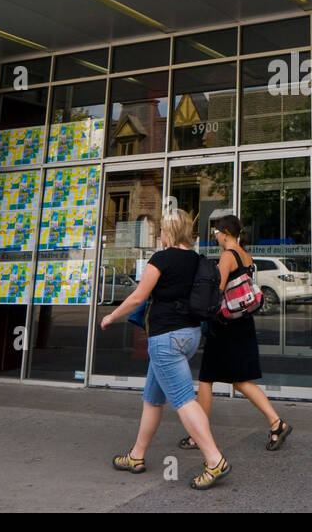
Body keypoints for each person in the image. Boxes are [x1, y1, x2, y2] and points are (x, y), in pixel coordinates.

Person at [100, 208, 230, 490]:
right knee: (153, 397)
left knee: (183, 400)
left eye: (161, 230)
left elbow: (137, 297)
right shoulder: (197, 260)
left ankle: (214, 458)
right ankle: (137, 455)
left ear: (169, 231)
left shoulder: (162, 258)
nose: (159, 235)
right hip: (190, 335)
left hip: (165, 339)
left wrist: (111, 316)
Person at [180, 214, 293, 451]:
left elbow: (216, 291)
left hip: (225, 325)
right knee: (240, 381)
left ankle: (197, 435)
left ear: (225, 233)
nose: (216, 237)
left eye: (216, 233)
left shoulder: (228, 256)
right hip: (243, 323)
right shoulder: (246, 256)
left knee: (206, 379)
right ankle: (276, 423)